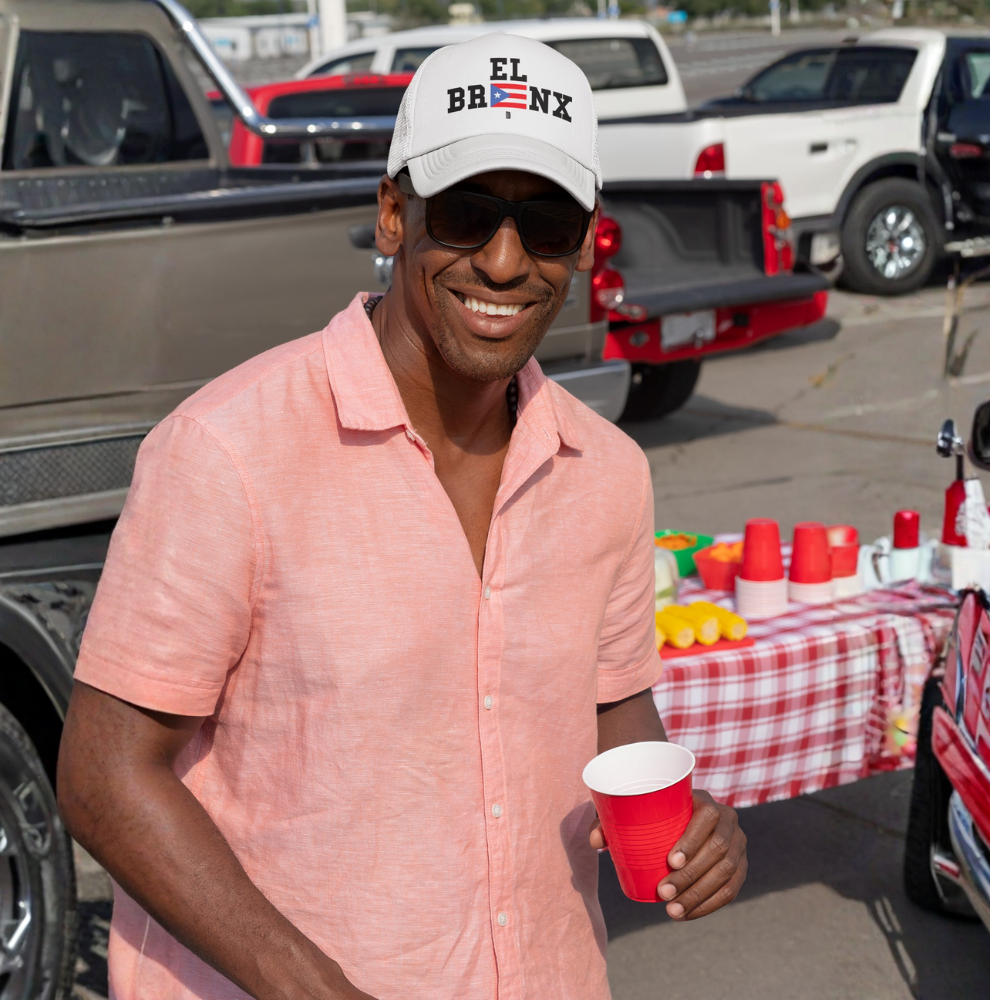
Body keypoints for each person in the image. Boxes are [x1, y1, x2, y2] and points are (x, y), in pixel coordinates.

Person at [57, 34, 746, 1000]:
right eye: (467, 214)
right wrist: (312, 985)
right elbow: (104, 774)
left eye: (546, 226)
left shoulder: (609, 472)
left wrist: (686, 827)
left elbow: (611, 704)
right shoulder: (227, 452)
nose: (505, 263)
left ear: (587, 243)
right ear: (393, 214)